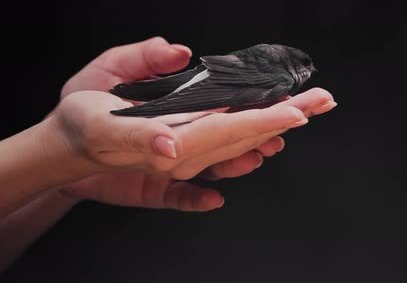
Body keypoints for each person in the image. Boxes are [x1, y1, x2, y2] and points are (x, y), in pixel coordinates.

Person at [0, 37, 336, 270]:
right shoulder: (278, 73)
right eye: (306, 66)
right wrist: (62, 147)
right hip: (225, 77)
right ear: (295, 64)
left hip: (219, 72)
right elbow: (223, 82)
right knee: (198, 99)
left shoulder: (272, 62)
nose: (309, 72)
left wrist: (65, 172)